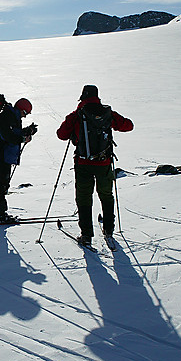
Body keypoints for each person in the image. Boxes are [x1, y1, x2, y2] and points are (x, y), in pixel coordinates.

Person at [56, 85, 133, 245]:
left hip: (83, 162)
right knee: (106, 195)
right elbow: (128, 125)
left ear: (82, 97)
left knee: (84, 196)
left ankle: (86, 235)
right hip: (104, 162)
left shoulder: (77, 115)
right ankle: (109, 230)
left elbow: (61, 135)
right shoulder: (107, 113)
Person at [0, 97, 37, 223]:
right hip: (1, 155)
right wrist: (22, 139)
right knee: (1, 184)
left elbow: (13, 132)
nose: (25, 116)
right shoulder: (7, 115)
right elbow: (7, 135)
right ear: (20, 109)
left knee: (3, 184)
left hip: (4, 155)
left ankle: (0, 214)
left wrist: (27, 131)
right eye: (25, 113)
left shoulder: (12, 116)